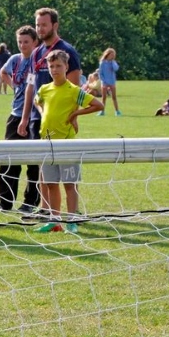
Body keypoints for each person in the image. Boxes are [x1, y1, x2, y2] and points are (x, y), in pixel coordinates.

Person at [17, 7, 83, 217]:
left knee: (65, 170)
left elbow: (74, 88)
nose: (40, 28)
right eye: (37, 25)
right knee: (43, 167)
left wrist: (72, 115)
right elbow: (30, 86)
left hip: (61, 121)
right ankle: (46, 210)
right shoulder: (36, 53)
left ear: (55, 25)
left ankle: (71, 214)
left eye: (44, 24)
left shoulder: (67, 51)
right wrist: (25, 117)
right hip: (39, 119)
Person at [33, 50, 104, 233]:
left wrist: (75, 114)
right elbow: (37, 101)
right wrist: (42, 115)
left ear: (66, 67)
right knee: (50, 184)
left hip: (67, 145)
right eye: (51, 66)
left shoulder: (73, 91)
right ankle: (54, 220)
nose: (55, 69)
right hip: (47, 144)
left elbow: (98, 105)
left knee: (69, 184)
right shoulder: (44, 89)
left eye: (58, 66)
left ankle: (71, 220)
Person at [0, 25, 41, 215]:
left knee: (33, 161)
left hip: (32, 116)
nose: (22, 45)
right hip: (15, 114)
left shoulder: (38, 61)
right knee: (8, 157)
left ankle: (30, 201)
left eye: (26, 42)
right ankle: (5, 201)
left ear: (35, 42)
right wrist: (13, 85)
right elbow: (3, 72)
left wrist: (26, 117)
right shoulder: (14, 59)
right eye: (20, 42)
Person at [97, 48, 121, 116]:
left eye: (113, 55)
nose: (112, 56)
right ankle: (102, 111)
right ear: (107, 54)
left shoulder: (113, 62)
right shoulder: (102, 63)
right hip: (104, 82)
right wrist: (103, 82)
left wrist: (113, 62)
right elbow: (100, 73)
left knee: (114, 97)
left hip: (112, 81)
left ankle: (117, 111)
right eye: (111, 54)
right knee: (104, 98)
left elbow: (116, 68)